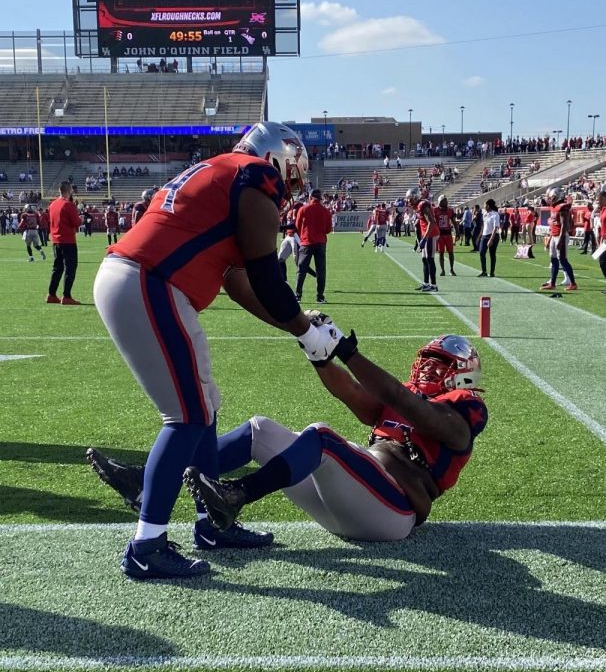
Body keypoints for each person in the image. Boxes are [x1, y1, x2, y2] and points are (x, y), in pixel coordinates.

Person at [91, 122, 341, 580]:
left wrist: (299, 327)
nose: (290, 187)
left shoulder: (224, 172)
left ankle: (211, 523)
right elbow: (267, 281)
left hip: (145, 280)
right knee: (186, 417)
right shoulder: (252, 178)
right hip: (150, 282)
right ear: (278, 160)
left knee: (204, 408)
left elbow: (240, 284)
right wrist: (308, 332)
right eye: (293, 174)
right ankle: (146, 545)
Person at [88, 330, 488, 543]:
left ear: (462, 373)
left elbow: (401, 399)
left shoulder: (465, 407)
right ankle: (150, 484)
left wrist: (347, 352)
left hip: (391, 513)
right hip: (352, 499)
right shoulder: (402, 397)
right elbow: (351, 392)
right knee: (259, 429)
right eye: (428, 364)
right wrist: (318, 351)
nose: (429, 372)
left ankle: (237, 495)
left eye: (441, 367)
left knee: (322, 437)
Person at [294, 188, 333, 303]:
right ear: (320, 198)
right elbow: (328, 230)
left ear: (310, 197)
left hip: (306, 242)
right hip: (320, 243)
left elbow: (297, 225)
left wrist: (305, 234)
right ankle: (320, 297)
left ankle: (298, 296)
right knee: (321, 271)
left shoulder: (303, 209)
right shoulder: (325, 211)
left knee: (301, 269)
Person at [46, 181, 82, 305]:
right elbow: (76, 223)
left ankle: (51, 294)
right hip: (68, 240)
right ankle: (66, 296)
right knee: (70, 268)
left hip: (56, 240)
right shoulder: (69, 205)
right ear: (69, 190)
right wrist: (80, 218)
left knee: (57, 267)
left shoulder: (52, 204)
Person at [540, 187, 577, 291]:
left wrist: (560, 240)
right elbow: (554, 226)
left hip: (561, 236)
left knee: (563, 260)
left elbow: (564, 225)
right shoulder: (554, 207)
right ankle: (552, 283)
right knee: (553, 259)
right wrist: (550, 239)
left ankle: (573, 283)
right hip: (554, 235)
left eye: (552, 197)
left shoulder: (562, 207)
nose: (550, 199)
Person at [416, 199, 440, 292]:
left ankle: (433, 285)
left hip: (431, 234)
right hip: (426, 233)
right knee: (424, 259)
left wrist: (425, 239)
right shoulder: (419, 205)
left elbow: (431, 222)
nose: (409, 201)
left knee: (430, 259)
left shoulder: (423, 205)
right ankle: (426, 283)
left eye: (410, 198)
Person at [478, 198, 500, 277]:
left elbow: (495, 228)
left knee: (492, 254)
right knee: (481, 252)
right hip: (485, 235)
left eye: (485, 205)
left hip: (493, 236)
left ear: (488, 205)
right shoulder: (485, 214)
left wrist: (491, 239)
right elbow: (484, 226)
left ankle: (492, 272)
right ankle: (484, 271)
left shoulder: (495, 214)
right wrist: (480, 236)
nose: (484, 206)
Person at [435, 195, 456, 277]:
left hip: (448, 234)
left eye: (446, 200)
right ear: (440, 202)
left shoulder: (450, 210)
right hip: (440, 235)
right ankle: (442, 270)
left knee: (451, 252)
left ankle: (451, 269)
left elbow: (454, 222)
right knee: (441, 253)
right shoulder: (435, 210)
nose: (446, 202)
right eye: (444, 201)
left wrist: (457, 231)